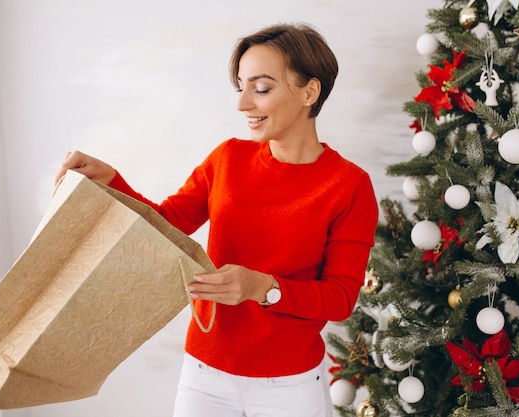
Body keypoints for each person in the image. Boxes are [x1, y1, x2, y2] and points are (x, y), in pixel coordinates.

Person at [55, 23, 378, 417]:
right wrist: (112, 182)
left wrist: (263, 287)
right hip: (203, 375)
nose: (243, 104)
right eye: (240, 87)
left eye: (260, 88)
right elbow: (168, 225)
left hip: (288, 387)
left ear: (309, 92)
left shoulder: (349, 185)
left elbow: (341, 298)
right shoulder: (227, 158)